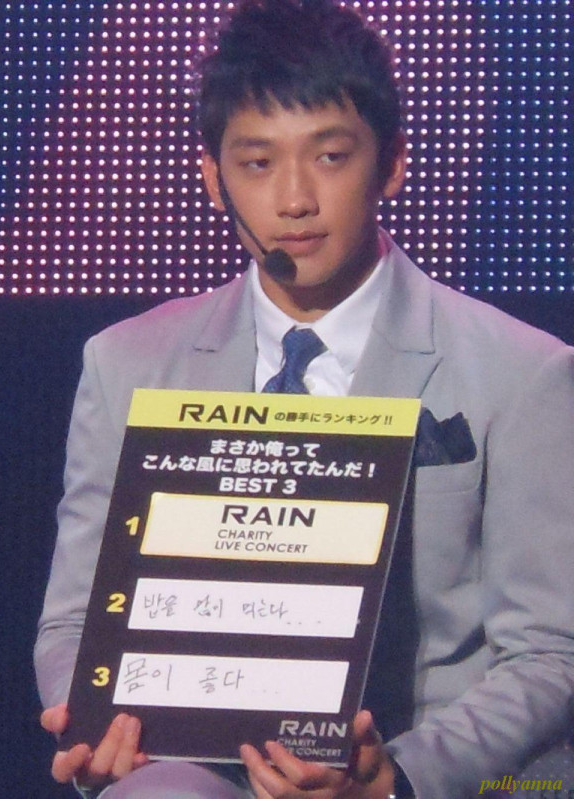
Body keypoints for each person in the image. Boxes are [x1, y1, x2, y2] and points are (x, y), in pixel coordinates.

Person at [34, 1, 574, 797]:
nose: (294, 200)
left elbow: (549, 652)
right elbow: (76, 619)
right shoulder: (127, 364)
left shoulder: (521, 371)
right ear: (213, 179)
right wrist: (93, 717)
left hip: (405, 761)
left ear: (391, 163)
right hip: (191, 767)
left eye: (329, 156)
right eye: (257, 163)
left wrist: (397, 777)